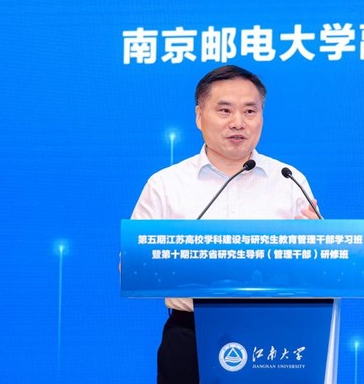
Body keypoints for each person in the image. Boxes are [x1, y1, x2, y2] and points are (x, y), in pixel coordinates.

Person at [130, 65, 319, 384]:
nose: (238, 122)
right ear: (199, 116)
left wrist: (317, 245)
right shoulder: (165, 184)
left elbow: (318, 269)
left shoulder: (289, 180)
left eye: (250, 111)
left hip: (272, 335)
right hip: (190, 334)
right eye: (225, 110)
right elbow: (134, 267)